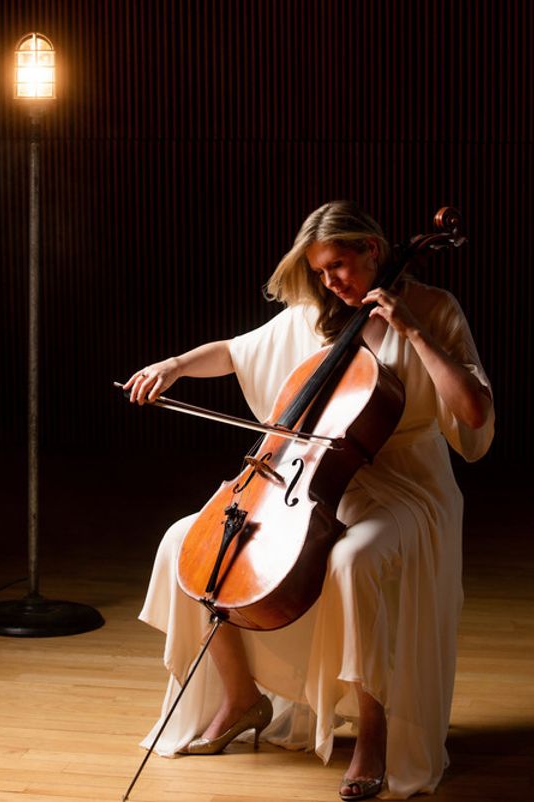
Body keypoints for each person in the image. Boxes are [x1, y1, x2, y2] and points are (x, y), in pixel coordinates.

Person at [125, 201, 494, 800]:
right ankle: (243, 699)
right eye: (321, 273)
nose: (331, 283)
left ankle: (373, 734)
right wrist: (174, 366)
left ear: (374, 249)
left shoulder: (434, 309)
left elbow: (474, 413)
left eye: (340, 266)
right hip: (320, 484)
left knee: (356, 561)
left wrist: (414, 332)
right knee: (181, 543)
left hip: (406, 487)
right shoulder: (316, 316)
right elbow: (233, 351)